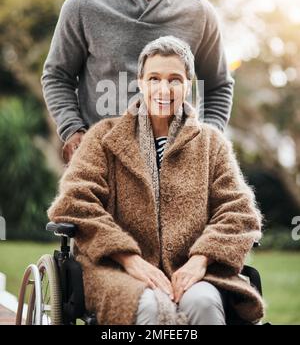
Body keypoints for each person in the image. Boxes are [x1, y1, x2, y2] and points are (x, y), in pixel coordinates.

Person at [47, 36, 264, 325]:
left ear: (189, 84)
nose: (164, 89)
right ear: (140, 82)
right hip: (116, 270)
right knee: (147, 305)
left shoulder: (212, 144)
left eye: (174, 79)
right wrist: (130, 259)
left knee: (203, 301)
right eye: (154, 79)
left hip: (195, 270)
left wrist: (199, 261)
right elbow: (75, 202)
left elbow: (239, 212)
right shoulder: (103, 138)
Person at [41, 0, 234, 164]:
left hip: (176, 166)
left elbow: (218, 85)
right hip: (103, 161)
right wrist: (73, 130)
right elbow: (56, 76)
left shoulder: (198, 11)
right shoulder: (83, 5)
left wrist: (208, 139)